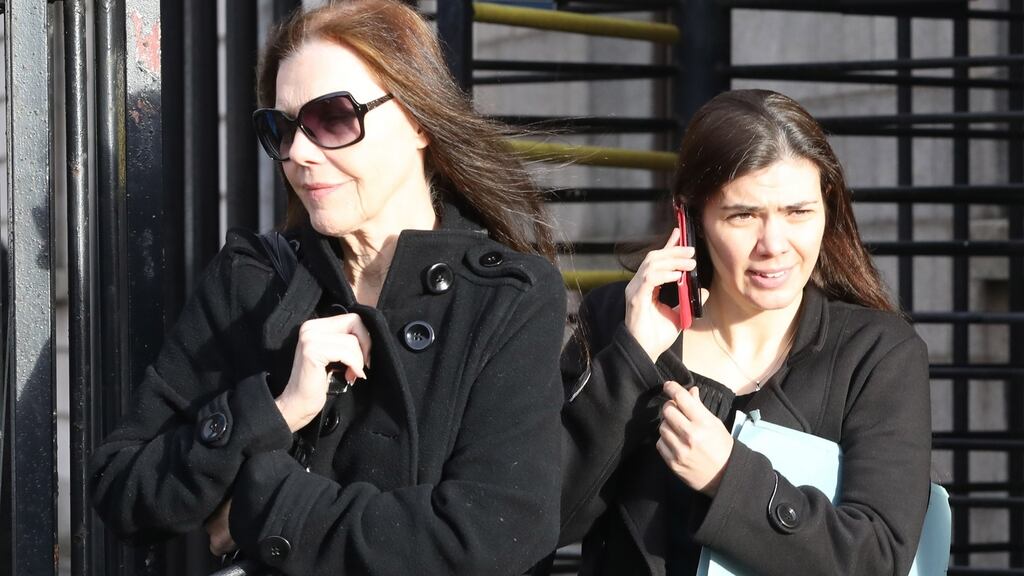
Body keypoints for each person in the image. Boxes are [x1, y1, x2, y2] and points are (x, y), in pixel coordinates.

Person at [89, 2, 566, 574]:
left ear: (419, 120)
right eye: (282, 128)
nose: (299, 153)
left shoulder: (507, 297)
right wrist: (275, 411)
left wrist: (263, 505)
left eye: (334, 118)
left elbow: (493, 536)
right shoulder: (253, 283)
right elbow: (123, 487)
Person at [559, 89, 931, 575]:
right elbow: (538, 519)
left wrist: (729, 480)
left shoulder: (877, 353)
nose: (773, 244)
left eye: (798, 212)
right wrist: (631, 360)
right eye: (743, 215)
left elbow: (877, 560)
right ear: (690, 219)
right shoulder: (620, 319)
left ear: (828, 211)